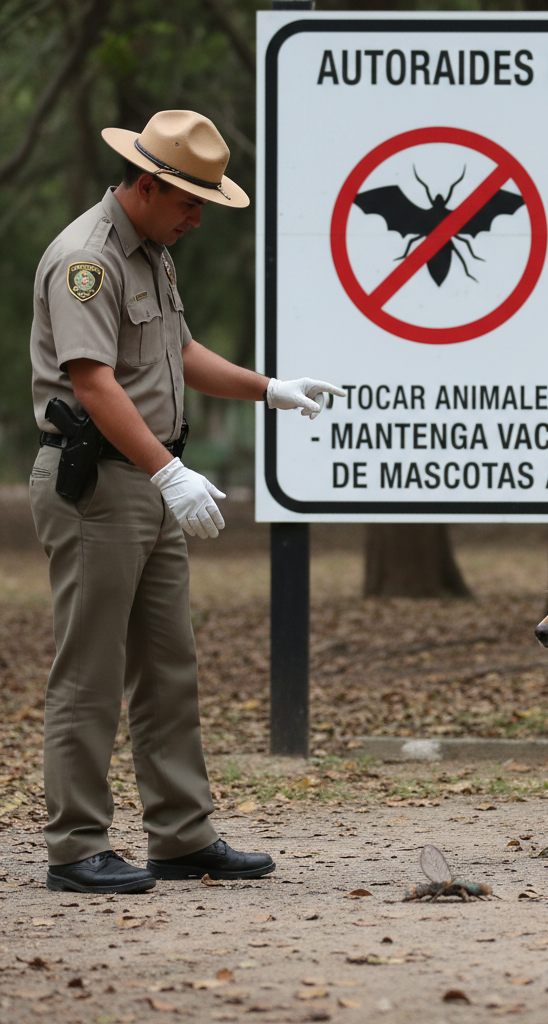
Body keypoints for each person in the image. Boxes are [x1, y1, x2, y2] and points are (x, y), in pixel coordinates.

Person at [29, 110, 344, 893]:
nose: (199, 216)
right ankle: (76, 846)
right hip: (98, 483)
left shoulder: (153, 254)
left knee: (170, 668)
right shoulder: (88, 261)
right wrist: (165, 472)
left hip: (152, 481)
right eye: (190, 201)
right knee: (90, 670)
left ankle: (179, 834)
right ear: (144, 185)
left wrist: (269, 389)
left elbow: (180, 350)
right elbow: (93, 381)